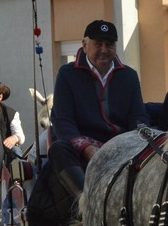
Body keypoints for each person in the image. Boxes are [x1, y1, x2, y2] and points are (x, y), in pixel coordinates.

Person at [49, 19, 148, 201]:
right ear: (84, 45)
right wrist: (87, 149)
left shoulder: (129, 76)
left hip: (121, 147)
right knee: (58, 149)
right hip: (82, 148)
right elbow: (62, 121)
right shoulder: (67, 74)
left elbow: (138, 118)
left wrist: (136, 144)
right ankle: (85, 203)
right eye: (98, 44)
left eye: (109, 44)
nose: (104, 49)